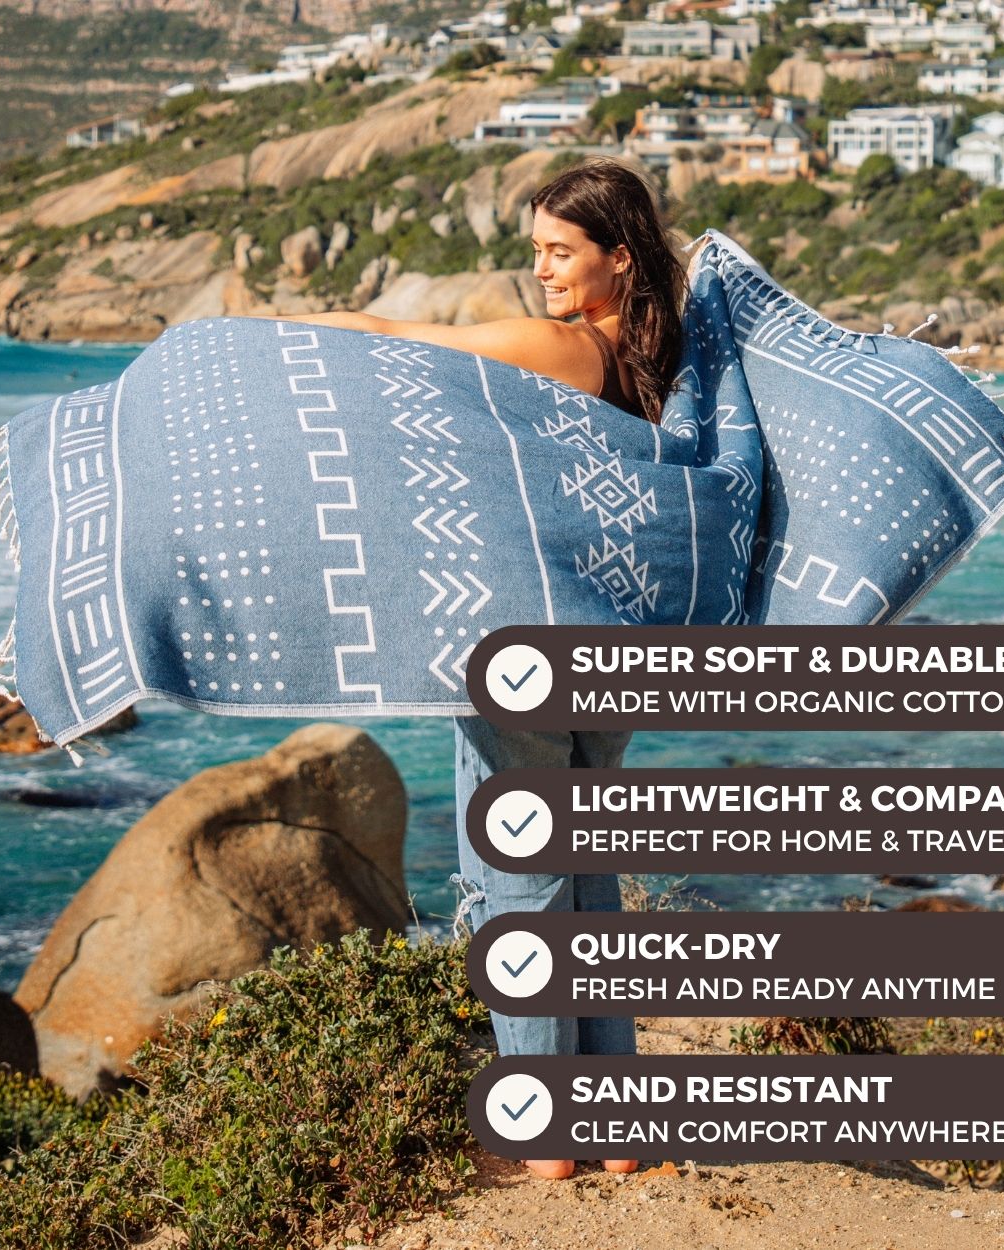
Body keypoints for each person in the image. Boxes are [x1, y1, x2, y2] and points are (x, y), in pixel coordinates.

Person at [266, 157, 691, 1180]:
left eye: (558, 251)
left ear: (614, 259)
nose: (538, 269)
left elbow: (405, 344)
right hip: (615, 640)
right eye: (534, 249)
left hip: (530, 644)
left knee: (519, 879)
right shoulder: (660, 354)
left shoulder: (562, 347)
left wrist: (264, 341)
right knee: (587, 875)